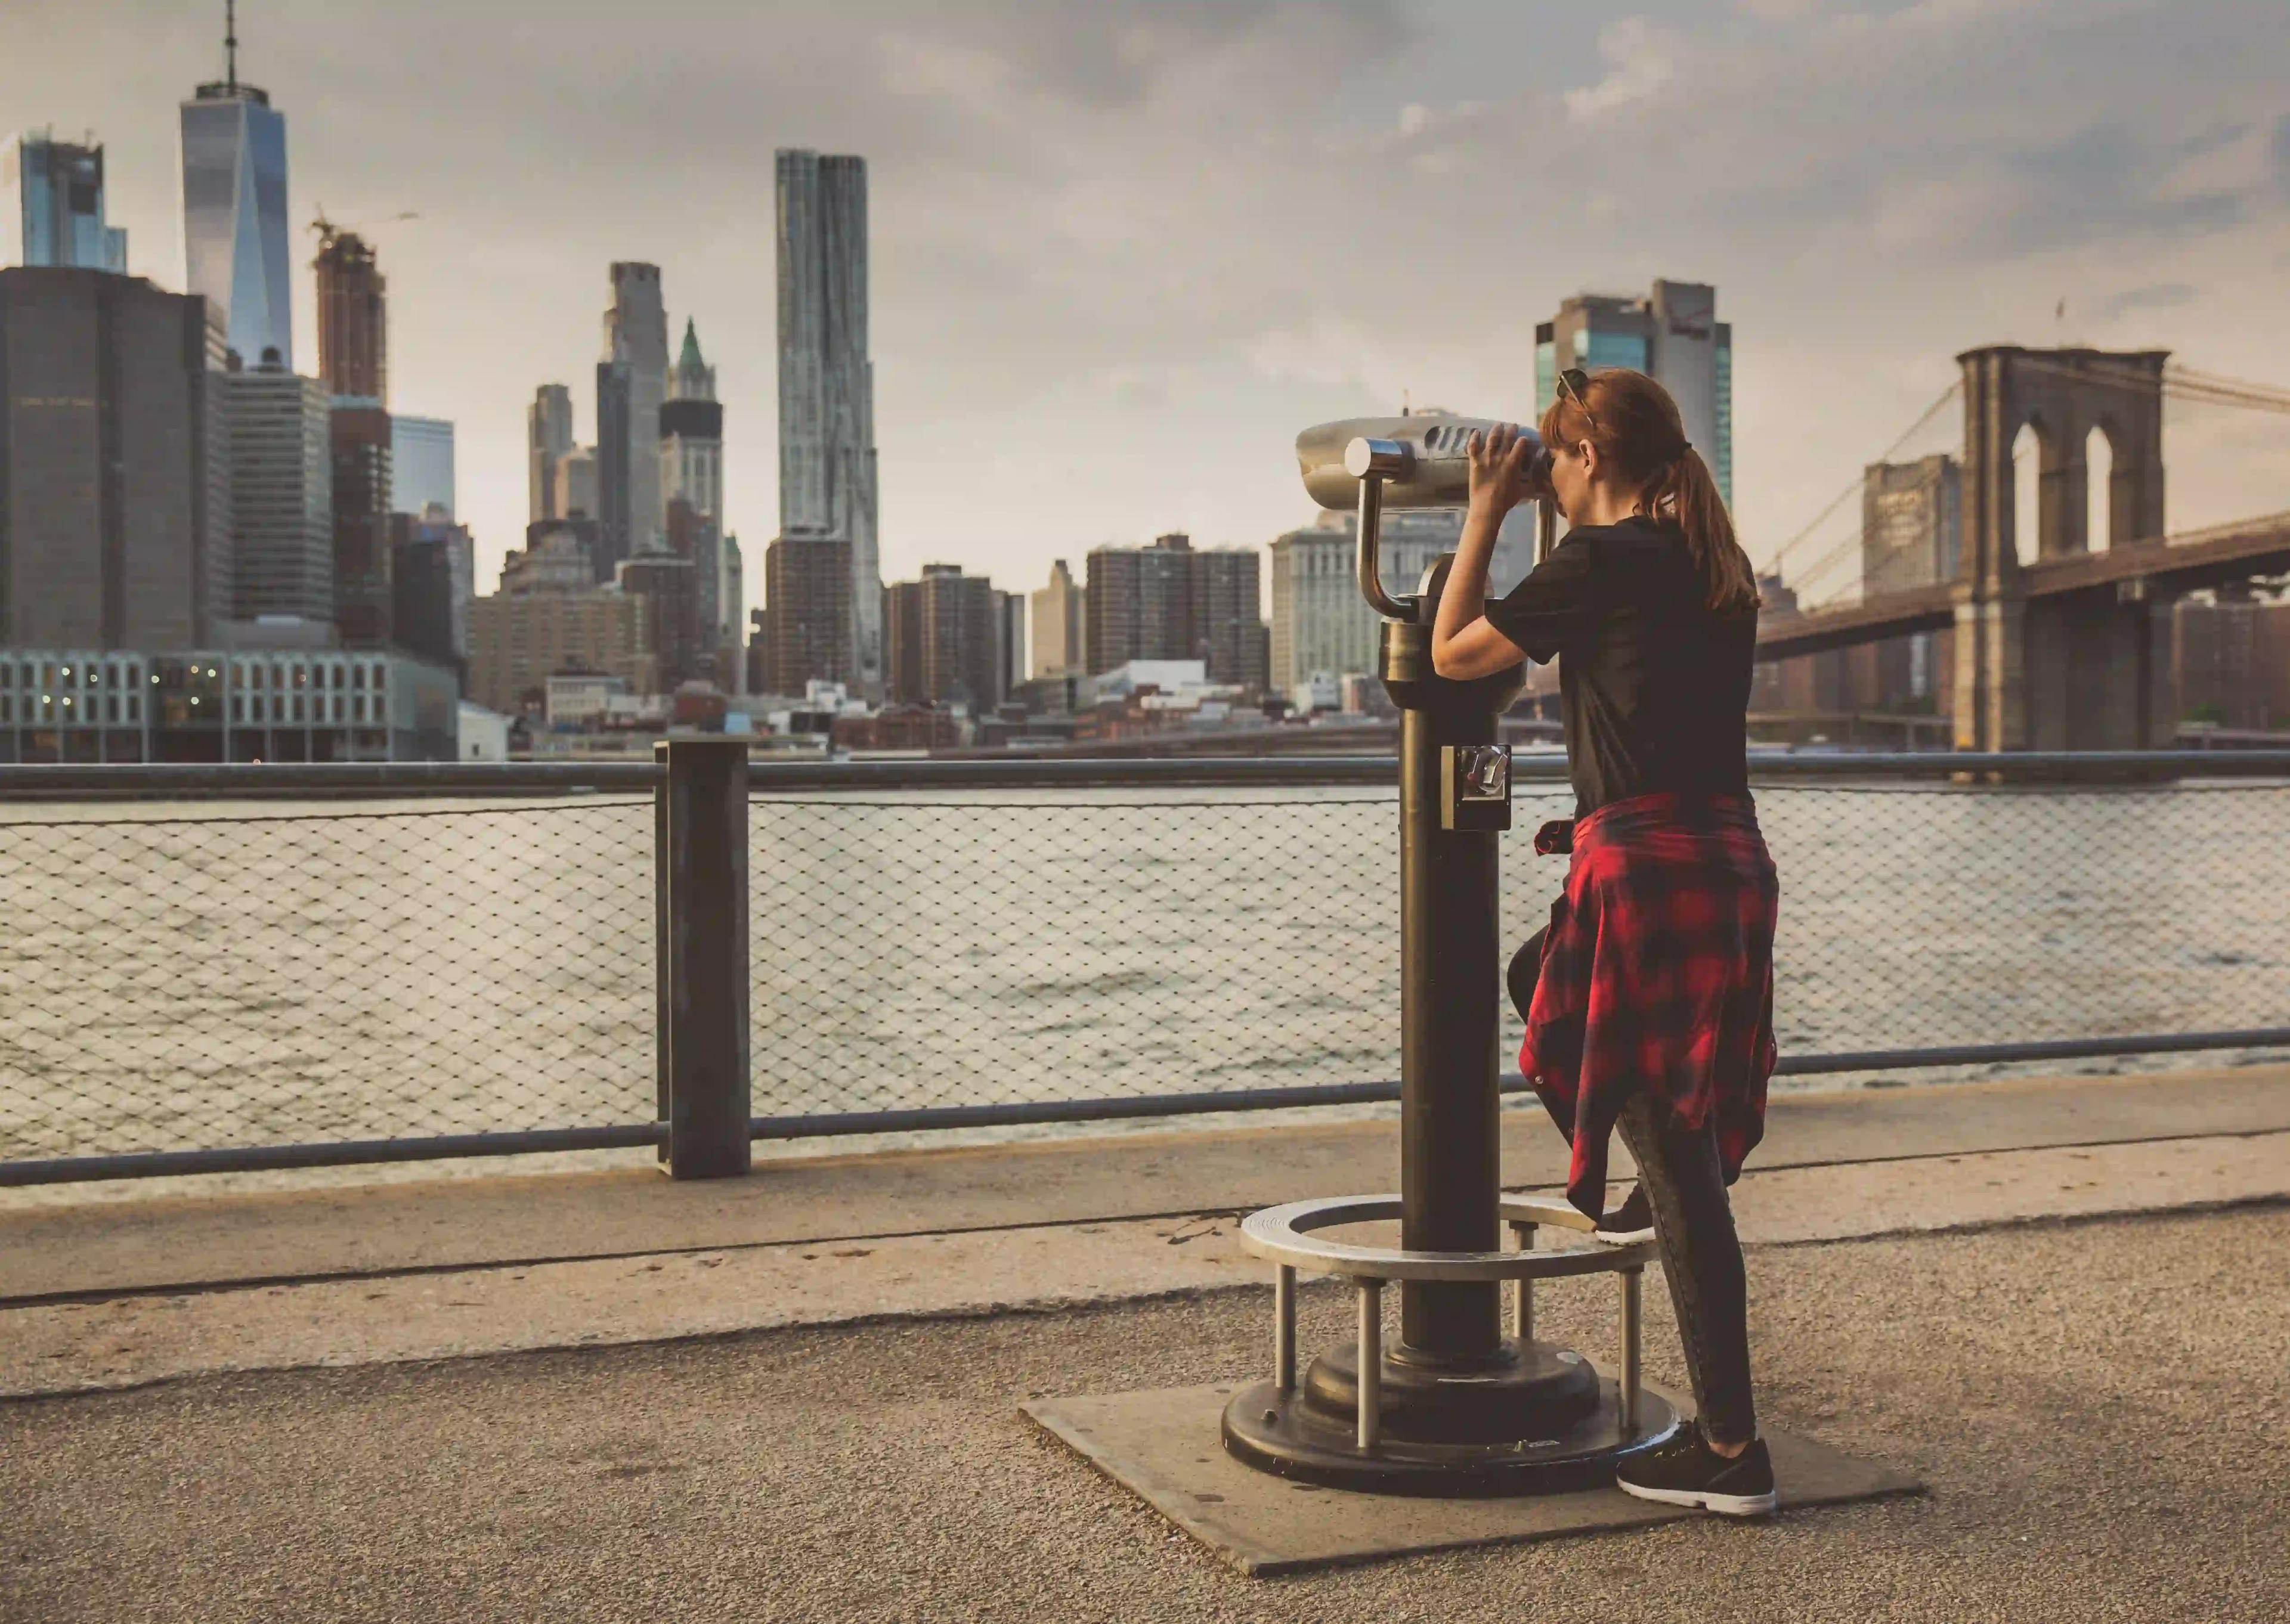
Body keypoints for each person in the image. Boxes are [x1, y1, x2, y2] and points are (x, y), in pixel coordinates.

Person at [1429, 366, 1782, 1518]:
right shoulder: (1706, 563)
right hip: (1724, 863)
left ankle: (1730, 1452)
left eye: (1555, 455)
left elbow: (1454, 655)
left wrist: (1485, 506)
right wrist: (1548, 504)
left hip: (1647, 877)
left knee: (1683, 1175)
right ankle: (1648, 1166)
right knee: (1540, 978)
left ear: (1587, 459)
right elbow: (1620, 663)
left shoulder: (1603, 559)